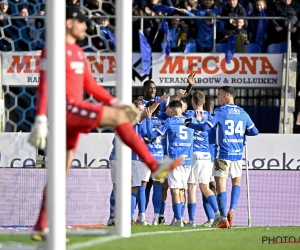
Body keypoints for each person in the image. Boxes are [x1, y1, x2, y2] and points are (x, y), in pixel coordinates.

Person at [28, 6, 184, 240]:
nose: (85, 27)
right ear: (69, 23)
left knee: (61, 172)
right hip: (64, 110)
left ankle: (41, 224)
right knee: (117, 118)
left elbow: (91, 87)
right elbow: (43, 86)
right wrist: (40, 117)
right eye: (82, 23)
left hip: (73, 115)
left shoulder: (79, 54)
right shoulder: (53, 51)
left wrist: (117, 102)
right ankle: (154, 165)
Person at [185, 86, 259, 228]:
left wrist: (190, 124)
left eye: (219, 95)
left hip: (222, 154)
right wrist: (243, 134)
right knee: (236, 183)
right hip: (237, 155)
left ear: (226, 96)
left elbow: (206, 128)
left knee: (221, 186)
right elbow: (254, 131)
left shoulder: (220, 112)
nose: (218, 98)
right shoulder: (243, 113)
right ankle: (232, 210)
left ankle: (223, 217)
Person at [146, 100, 194, 227]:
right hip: (188, 160)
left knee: (174, 190)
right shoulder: (190, 121)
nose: (166, 112)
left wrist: (148, 120)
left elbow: (152, 135)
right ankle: (180, 218)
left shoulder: (169, 121)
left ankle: (178, 219)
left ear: (172, 111)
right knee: (182, 190)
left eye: (167, 110)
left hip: (173, 159)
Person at [184, 91, 220, 227]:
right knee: (205, 187)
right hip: (207, 155)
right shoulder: (211, 116)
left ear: (192, 102)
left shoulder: (188, 115)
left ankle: (192, 221)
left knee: (191, 187)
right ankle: (217, 214)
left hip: (194, 154)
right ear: (204, 103)